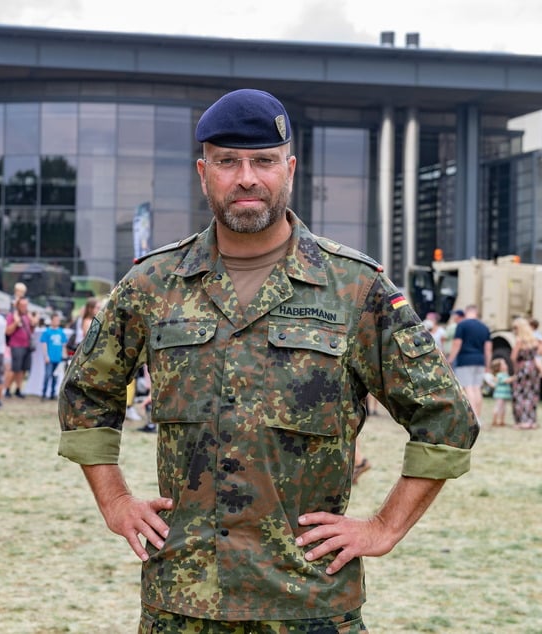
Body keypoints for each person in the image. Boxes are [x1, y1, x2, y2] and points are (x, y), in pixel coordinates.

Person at [58, 88, 478, 631]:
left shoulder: (354, 287)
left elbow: (445, 419)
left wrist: (383, 527)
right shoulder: (152, 285)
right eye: (228, 162)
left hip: (308, 599)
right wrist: (115, 500)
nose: (247, 178)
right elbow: (87, 397)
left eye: (264, 161)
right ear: (202, 172)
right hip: (184, 602)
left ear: (290, 169)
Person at [448, 304, 491, 419]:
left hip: (465, 360)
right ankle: (478, 416)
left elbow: (457, 344)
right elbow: (488, 349)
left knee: (468, 387)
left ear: (467, 312)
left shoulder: (462, 325)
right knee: (477, 388)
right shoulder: (484, 327)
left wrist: (450, 359)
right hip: (480, 360)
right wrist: (488, 365)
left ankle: (472, 417)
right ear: (476, 313)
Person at [510, 317, 542, 430]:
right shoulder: (534, 339)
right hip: (533, 369)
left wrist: (515, 369)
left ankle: (522, 421)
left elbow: (513, 357)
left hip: (522, 368)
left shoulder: (519, 340)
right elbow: (540, 352)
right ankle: (531, 421)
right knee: (532, 395)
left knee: (520, 395)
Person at [4, 296, 34, 398]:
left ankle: (18, 389)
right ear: (17, 306)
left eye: (26, 305)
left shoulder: (27, 316)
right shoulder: (11, 316)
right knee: (14, 369)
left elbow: (32, 328)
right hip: (16, 346)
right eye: (22, 305)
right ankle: (7, 389)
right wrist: (16, 323)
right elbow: (7, 331)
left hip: (27, 345)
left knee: (22, 369)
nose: (24, 307)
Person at [40, 312, 66, 400]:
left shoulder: (61, 331)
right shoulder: (47, 332)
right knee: (47, 376)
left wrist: (63, 356)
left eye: (58, 320)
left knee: (55, 377)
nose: (57, 322)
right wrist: (46, 355)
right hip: (50, 358)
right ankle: (44, 393)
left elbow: (63, 345)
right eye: (55, 320)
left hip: (58, 358)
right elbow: (44, 344)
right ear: (51, 321)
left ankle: (52, 393)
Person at [488, 358, 513, 427]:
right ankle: (494, 420)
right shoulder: (499, 375)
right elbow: (505, 381)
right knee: (498, 407)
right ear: (499, 367)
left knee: (504, 408)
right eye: (504, 364)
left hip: (504, 395)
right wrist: (513, 378)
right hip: (500, 395)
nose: (506, 365)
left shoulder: (505, 374)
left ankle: (502, 421)